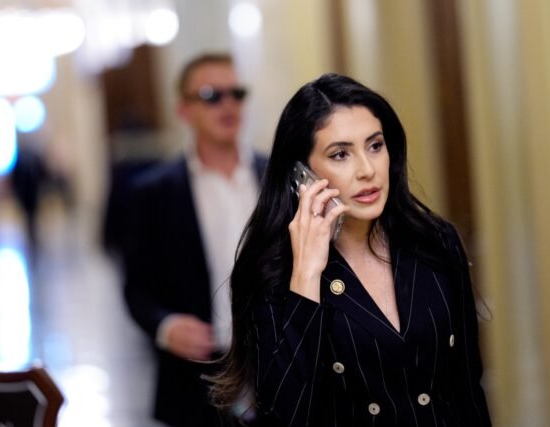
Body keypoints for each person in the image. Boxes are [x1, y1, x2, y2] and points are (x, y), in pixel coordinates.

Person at [210, 73, 492, 426]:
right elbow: (285, 414)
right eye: (340, 154)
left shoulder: (435, 240)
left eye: (375, 146)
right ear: (301, 174)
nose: (367, 170)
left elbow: (468, 387)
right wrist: (306, 275)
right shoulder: (272, 270)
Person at [122, 53, 267, 427]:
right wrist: (166, 327)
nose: (227, 104)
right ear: (184, 110)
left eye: (236, 93)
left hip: (278, 367)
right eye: (211, 95)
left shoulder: (278, 178)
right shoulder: (153, 193)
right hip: (195, 377)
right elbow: (136, 289)